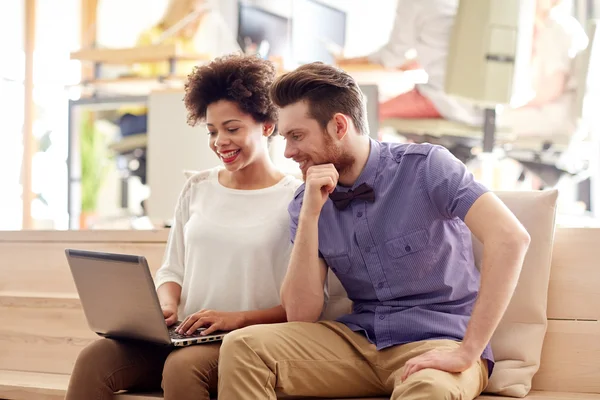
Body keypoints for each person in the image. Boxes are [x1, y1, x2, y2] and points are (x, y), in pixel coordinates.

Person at [217, 62, 531, 400]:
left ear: (339, 126)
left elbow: (511, 238)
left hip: (439, 342)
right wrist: (309, 215)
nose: (289, 152)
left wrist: (468, 351)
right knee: (243, 346)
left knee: (430, 392)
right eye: (285, 139)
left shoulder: (427, 167)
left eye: (297, 136)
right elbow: (300, 314)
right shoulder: (304, 202)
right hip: (357, 343)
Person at [65, 54, 302, 400]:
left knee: (183, 366)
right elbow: (172, 269)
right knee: (95, 358)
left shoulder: (296, 197)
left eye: (232, 128)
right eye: (212, 130)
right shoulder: (197, 188)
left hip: (245, 340)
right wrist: (166, 305)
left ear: (267, 126)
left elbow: (304, 304)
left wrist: (234, 319)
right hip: (184, 333)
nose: (220, 141)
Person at [337, 0, 482, 126]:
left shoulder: (414, 2)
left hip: (445, 100)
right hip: (478, 106)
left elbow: (392, 56)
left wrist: (346, 61)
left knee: (364, 115)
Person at [499, 0, 589, 138]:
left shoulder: (554, 28)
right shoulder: (566, 24)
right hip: (562, 115)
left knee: (492, 122)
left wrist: (516, 107)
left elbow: (553, 89)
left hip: (554, 117)